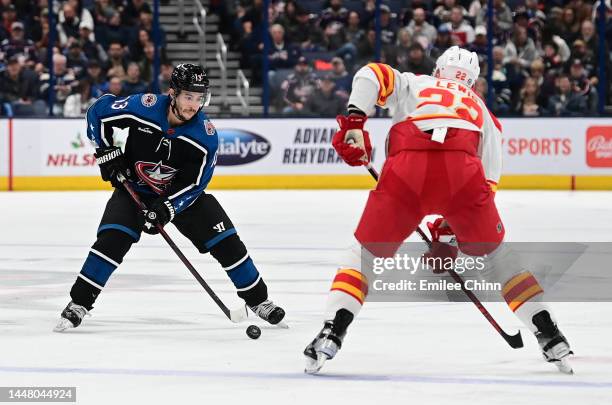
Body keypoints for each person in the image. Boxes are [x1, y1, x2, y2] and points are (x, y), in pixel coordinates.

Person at [304, 46, 573, 374]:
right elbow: (486, 184)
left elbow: (370, 73)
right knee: (502, 261)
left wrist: (355, 123)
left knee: (364, 258)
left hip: (406, 168)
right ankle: (550, 334)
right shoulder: (483, 111)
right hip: (463, 173)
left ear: (437, 70)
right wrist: (447, 234)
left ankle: (333, 330)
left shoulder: (414, 82)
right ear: (472, 83)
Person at [54, 63, 286, 332]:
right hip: (135, 189)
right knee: (111, 240)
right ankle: (79, 303)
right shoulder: (144, 106)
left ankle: (259, 301)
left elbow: (197, 183)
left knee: (228, 243)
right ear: (173, 93)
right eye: (188, 97)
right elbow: (98, 111)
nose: (193, 106)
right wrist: (107, 154)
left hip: (181, 197)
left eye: (200, 99)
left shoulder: (205, 137)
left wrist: (168, 208)